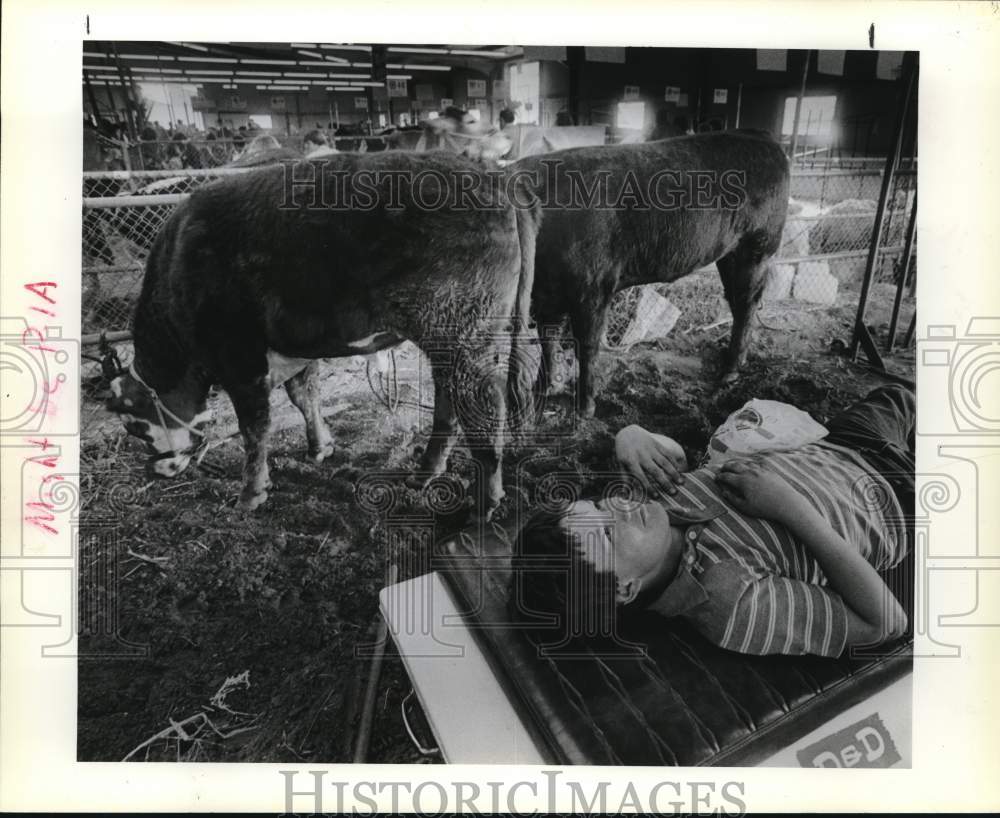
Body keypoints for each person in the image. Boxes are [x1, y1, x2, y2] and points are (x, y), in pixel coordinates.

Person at [513, 385, 914, 658]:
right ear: (624, 588)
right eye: (606, 531)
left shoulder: (651, 509)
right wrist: (788, 506)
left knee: (902, 395)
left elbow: (679, 460)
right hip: (900, 501)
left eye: (598, 506)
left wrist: (634, 434)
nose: (618, 502)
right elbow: (886, 622)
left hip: (841, 445)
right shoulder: (729, 603)